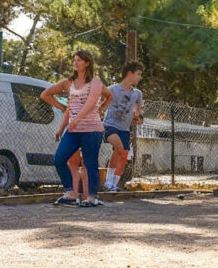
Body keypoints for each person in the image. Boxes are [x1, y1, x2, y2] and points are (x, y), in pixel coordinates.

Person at [40, 50, 112, 207]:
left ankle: (92, 197)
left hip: (92, 129)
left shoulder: (95, 82)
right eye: (74, 60)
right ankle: (71, 193)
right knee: (59, 158)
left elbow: (98, 100)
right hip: (73, 129)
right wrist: (62, 109)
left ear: (87, 63)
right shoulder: (68, 83)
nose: (75, 62)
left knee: (90, 162)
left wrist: (100, 109)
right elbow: (45, 94)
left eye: (79, 60)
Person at [101, 61, 145, 192]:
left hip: (124, 129)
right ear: (130, 74)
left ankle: (114, 184)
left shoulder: (137, 93)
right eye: (138, 74)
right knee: (119, 149)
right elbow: (101, 105)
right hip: (110, 126)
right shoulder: (112, 89)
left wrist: (138, 118)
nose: (140, 77)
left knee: (124, 154)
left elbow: (137, 112)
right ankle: (108, 183)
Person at [55, 110, 90, 203]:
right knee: (80, 165)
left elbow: (67, 113)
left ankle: (76, 194)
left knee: (78, 166)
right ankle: (84, 195)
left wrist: (60, 129)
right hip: (83, 130)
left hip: (79, 131)